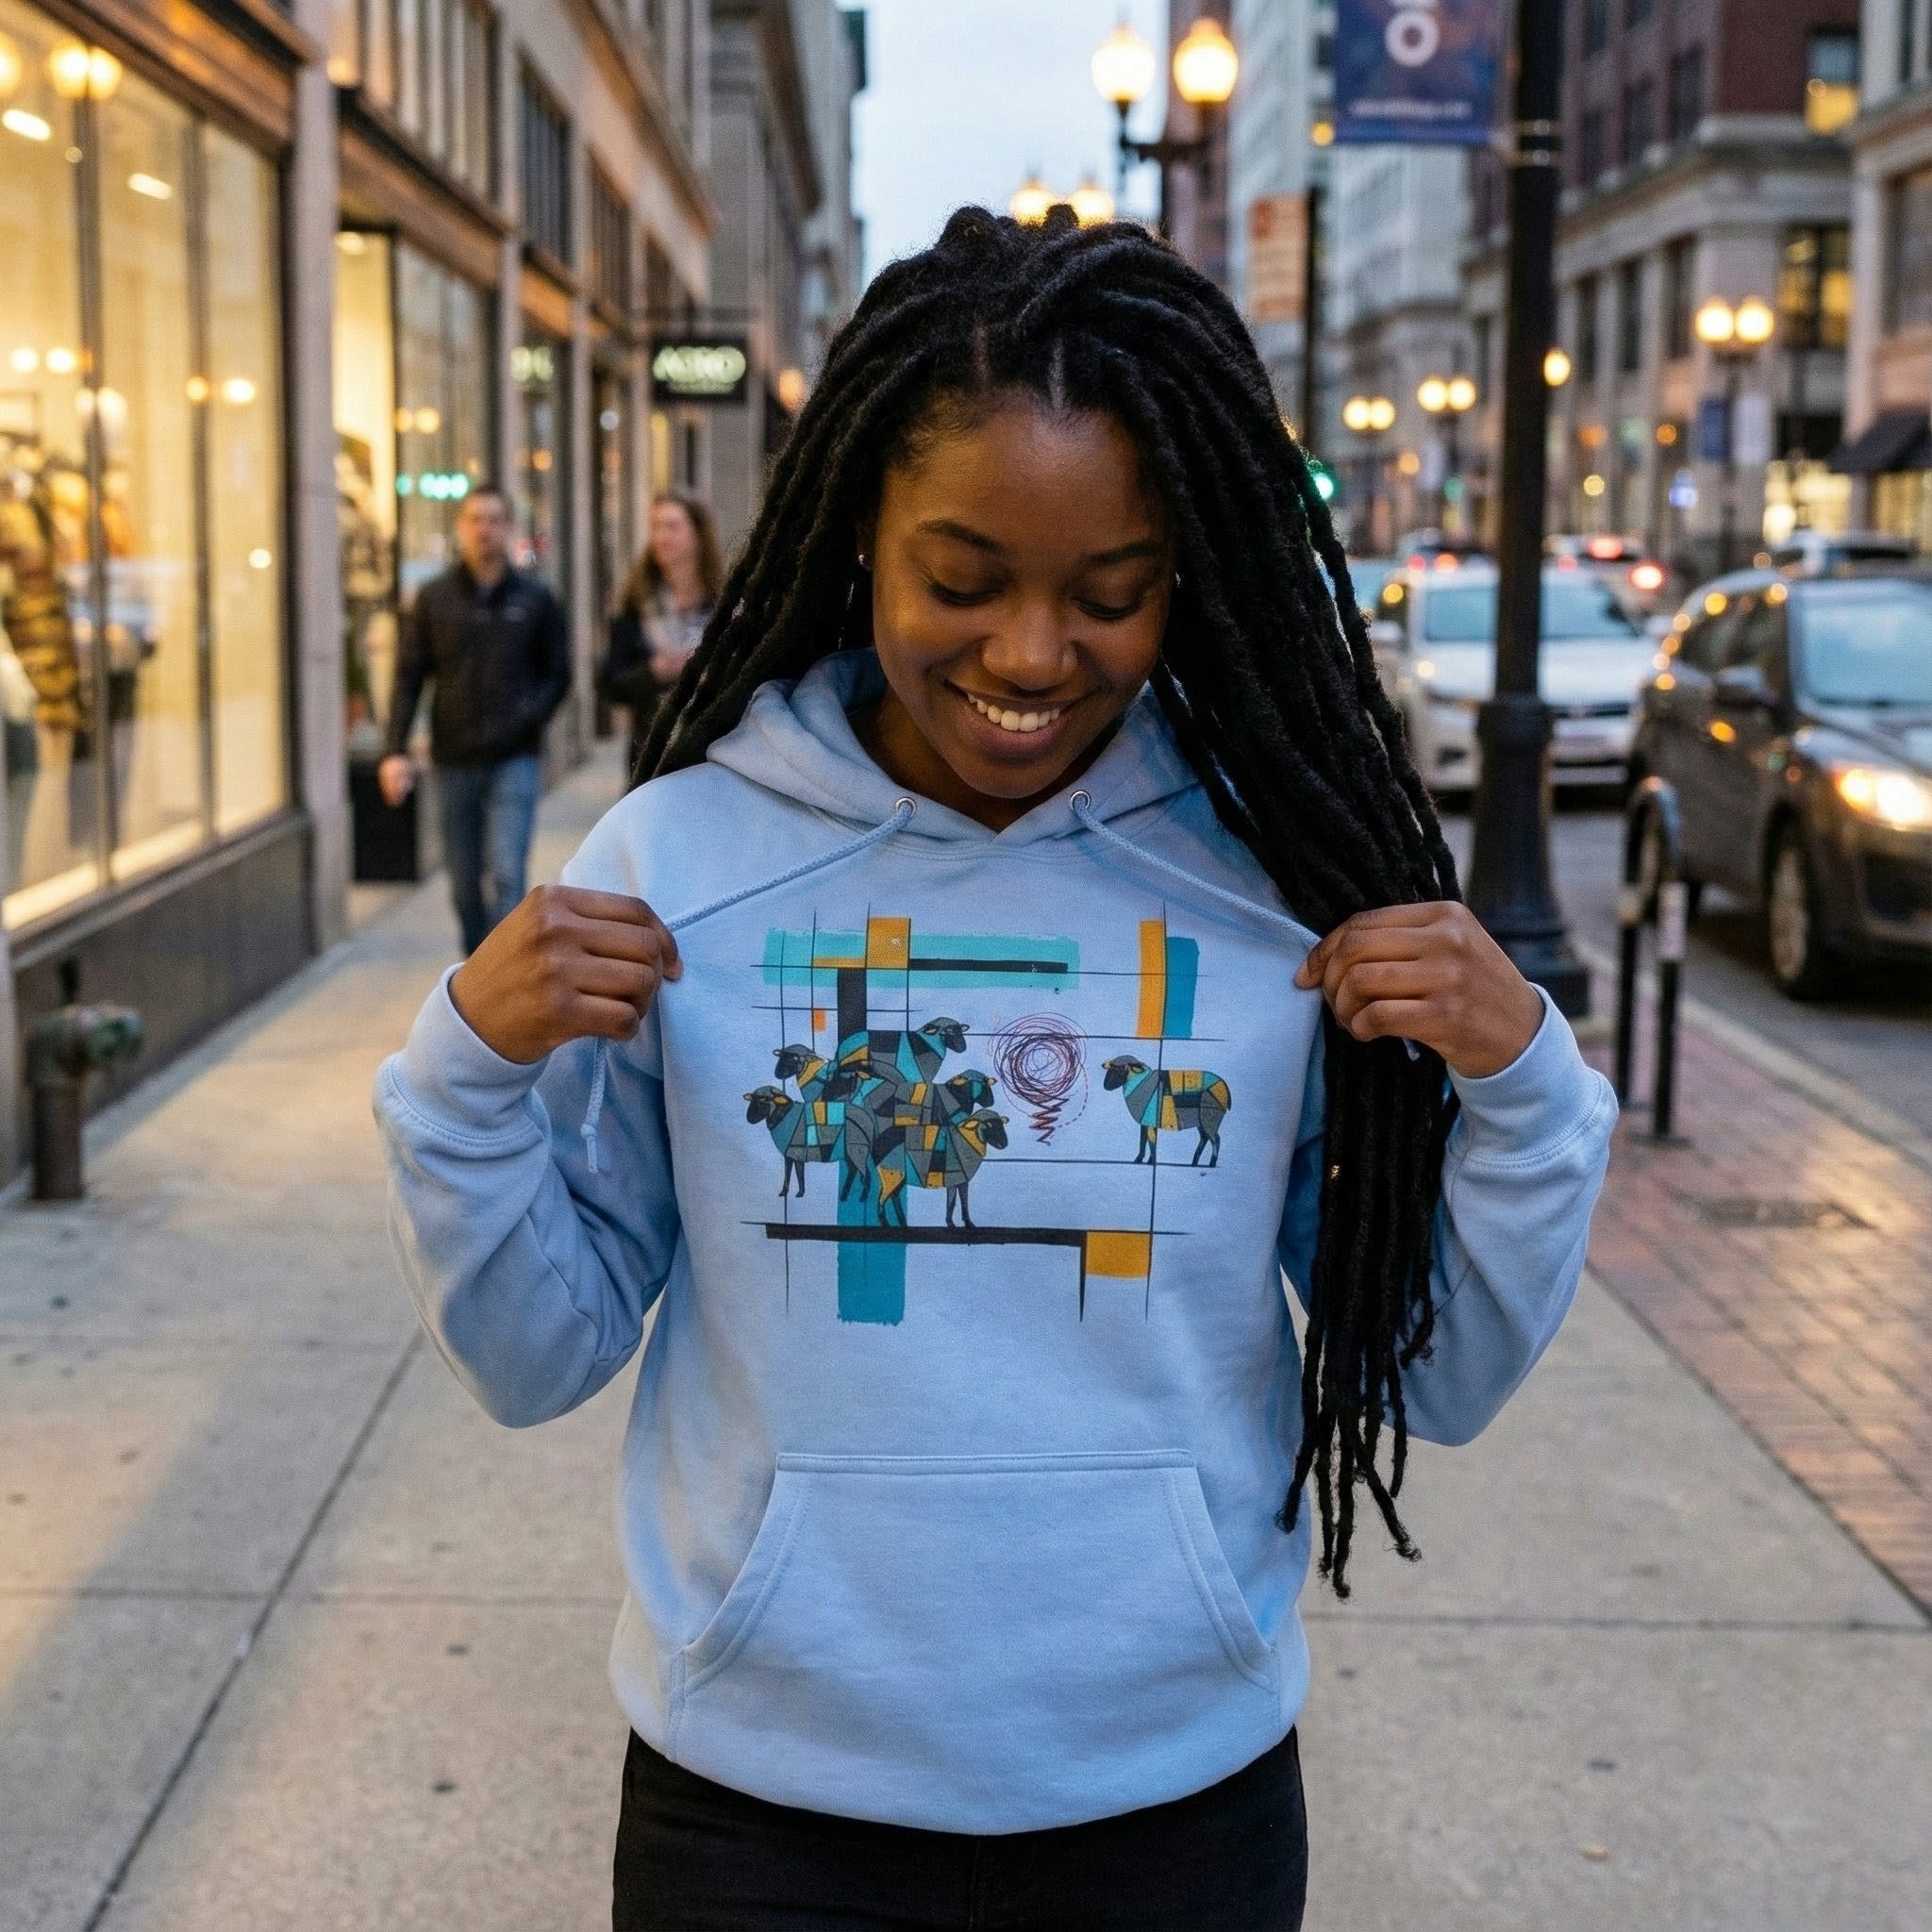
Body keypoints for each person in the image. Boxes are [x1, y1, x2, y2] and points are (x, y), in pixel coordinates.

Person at [375, 208, 1615, 1930]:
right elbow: (534, 1354)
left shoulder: (1276, 885)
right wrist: (461, 1083)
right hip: (757, 1807)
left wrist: (1526, 1090)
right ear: (853, 540)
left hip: (1170, 1795)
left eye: (1111, 593)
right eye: (961, 580)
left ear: (1188, 574)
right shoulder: (681, 858)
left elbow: (1435, 1375)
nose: (1033, 654)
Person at [379, 484, 572, 955]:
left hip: (514, 758)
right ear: (461, 529)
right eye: (475, 520)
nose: (484, 530)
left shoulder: (536, 599)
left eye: (494, 520)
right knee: (463, 883)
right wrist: (394, 749)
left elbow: (559, 673)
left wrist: (531, 718)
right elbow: (409, 677)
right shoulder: (433, 599)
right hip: (453, 758)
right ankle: (479, 967)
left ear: (508, 529)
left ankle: (504, 976)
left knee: (507, 874)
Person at [599, 492, 723, 781]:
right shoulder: (635, 605)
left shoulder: (721, 604)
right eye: (656, 527)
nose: (661, 537)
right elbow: (610, 684)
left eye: (672, 526)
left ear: (698, 535)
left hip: (709, 752)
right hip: (651, 752)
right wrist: (655, 672)